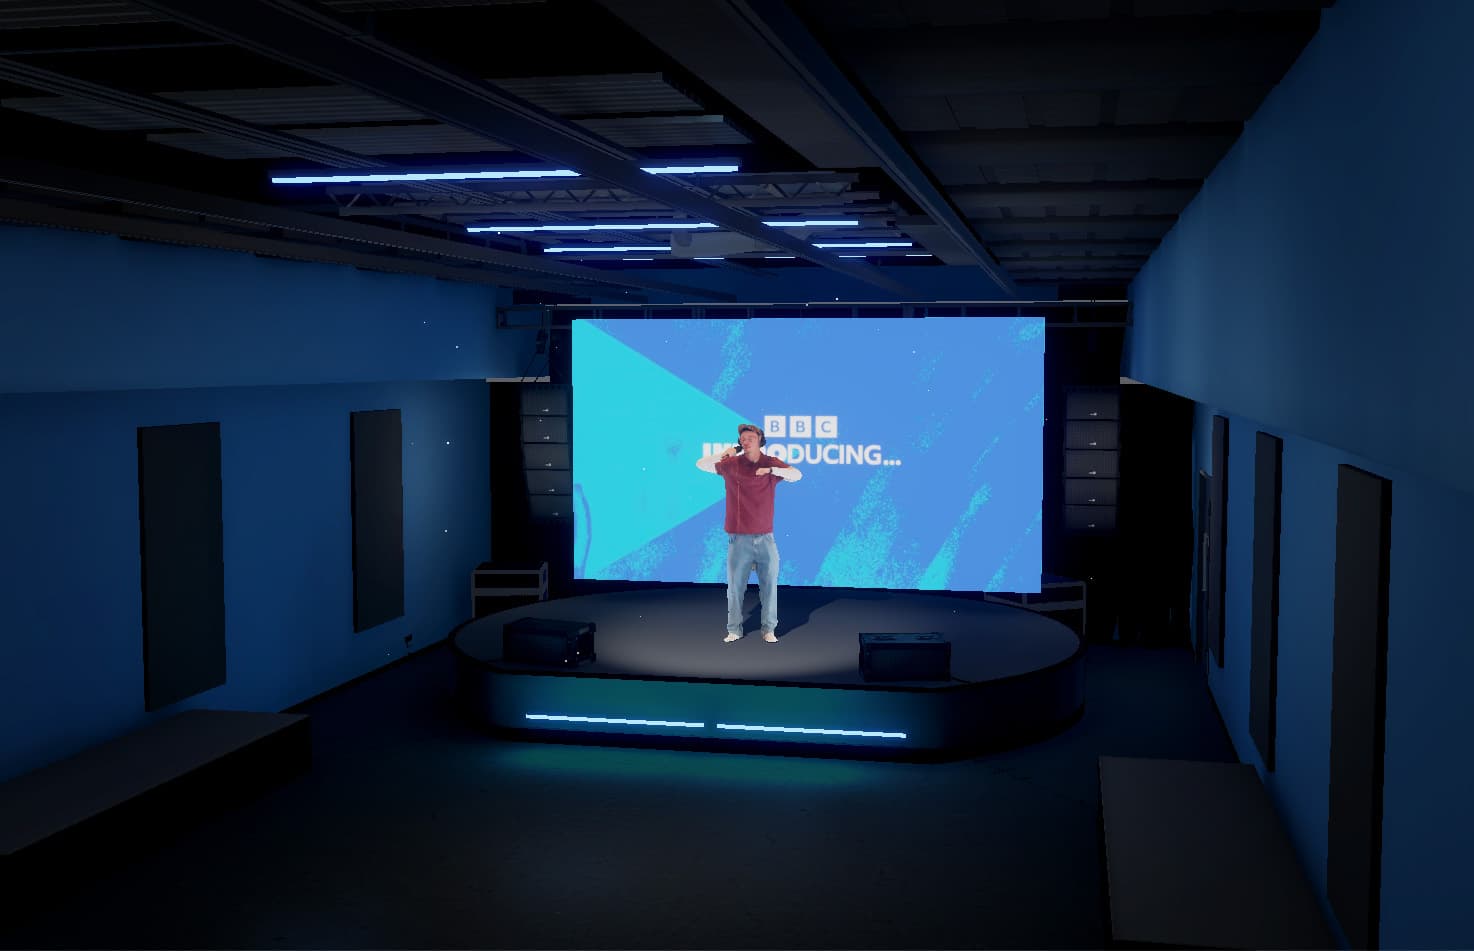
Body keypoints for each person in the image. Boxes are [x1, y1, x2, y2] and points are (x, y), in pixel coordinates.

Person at [696, 423, 802, 643]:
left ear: (759, 439)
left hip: (765, 538)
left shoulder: (770, 463)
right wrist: (723, 453)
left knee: (769, 586)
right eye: (742, 438)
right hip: (738, 538)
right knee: (735, 588)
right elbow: (701, 464)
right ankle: (734, 629)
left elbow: (797, 475)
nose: (745, 441)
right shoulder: (731, 463)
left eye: (750, 437)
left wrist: (771, 470)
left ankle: (768, 629)